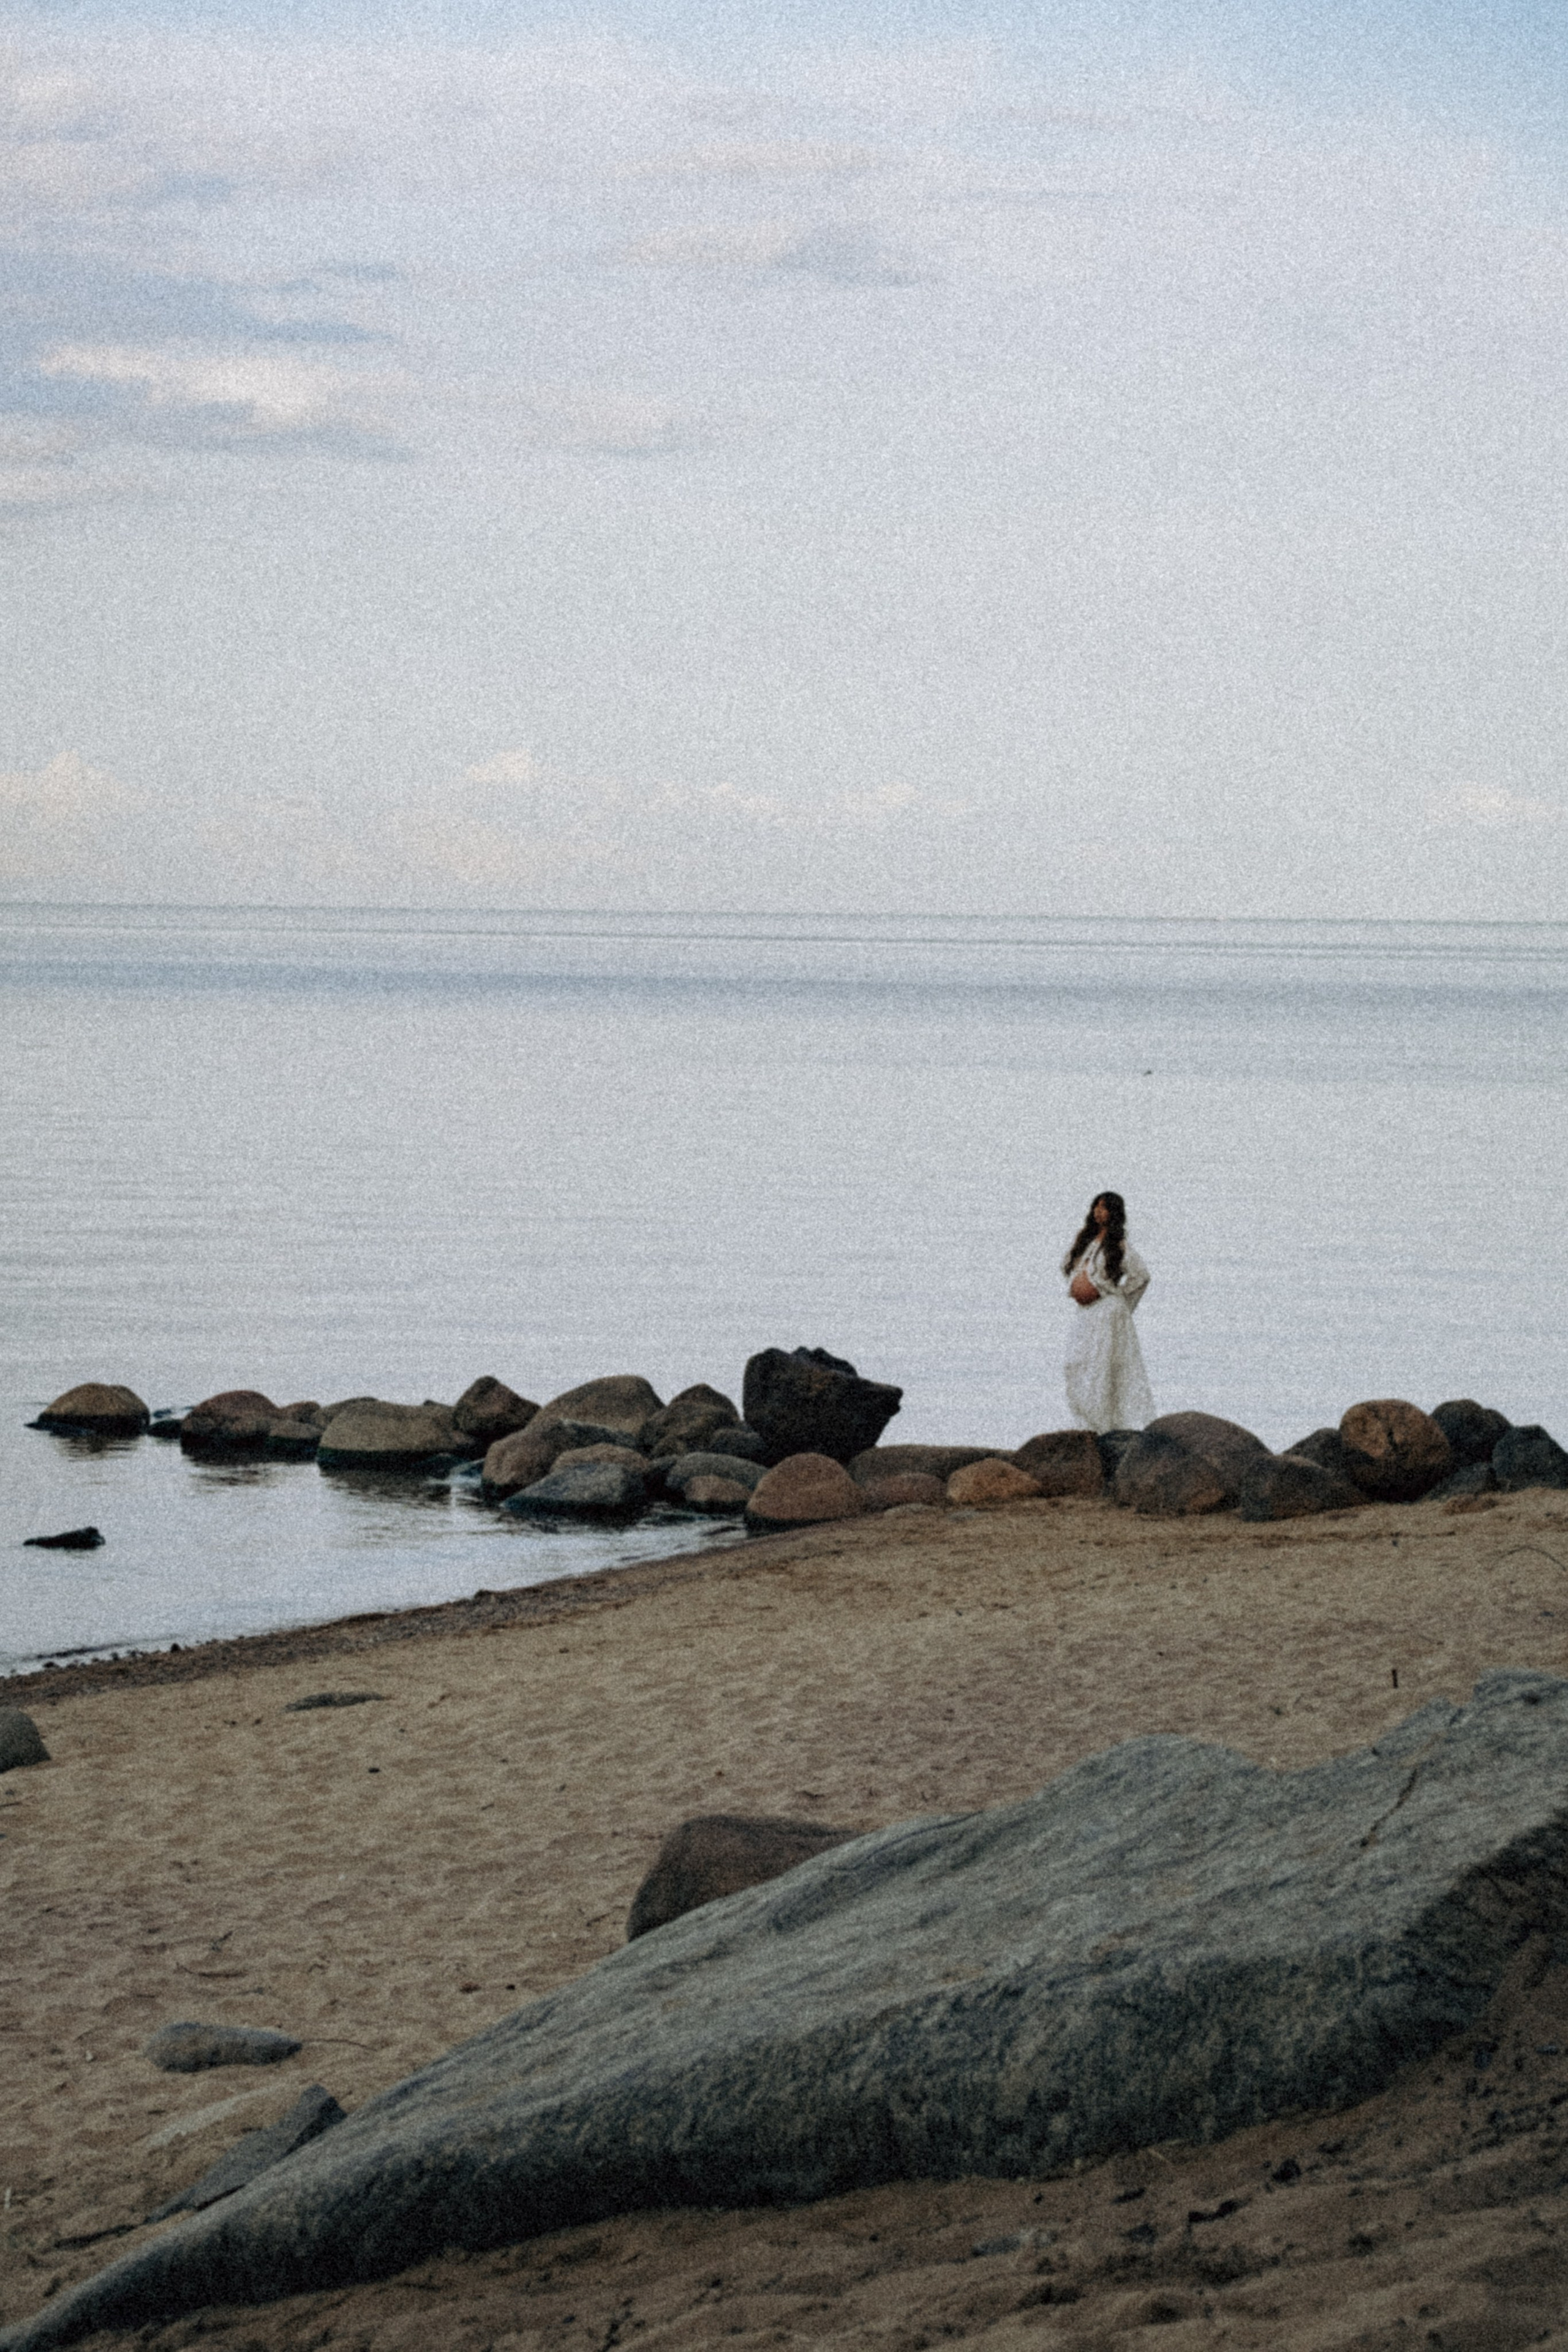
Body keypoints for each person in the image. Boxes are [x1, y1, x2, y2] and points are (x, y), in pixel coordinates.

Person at [1061, 1190, 1154, 1433]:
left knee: (1101, 1367)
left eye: (1104, 1208)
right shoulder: (1086, 1241)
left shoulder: (1119, 1245)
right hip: (1086, 1313)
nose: (1098, 1212)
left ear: (1114, 1213)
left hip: (1106, 1314)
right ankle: (1085, 1422)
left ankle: (1104, 1426)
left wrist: (1118, 1298)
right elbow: (1067, 1267)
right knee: (1076, 1363)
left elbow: (1141, 1276)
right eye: (1096, 1207)